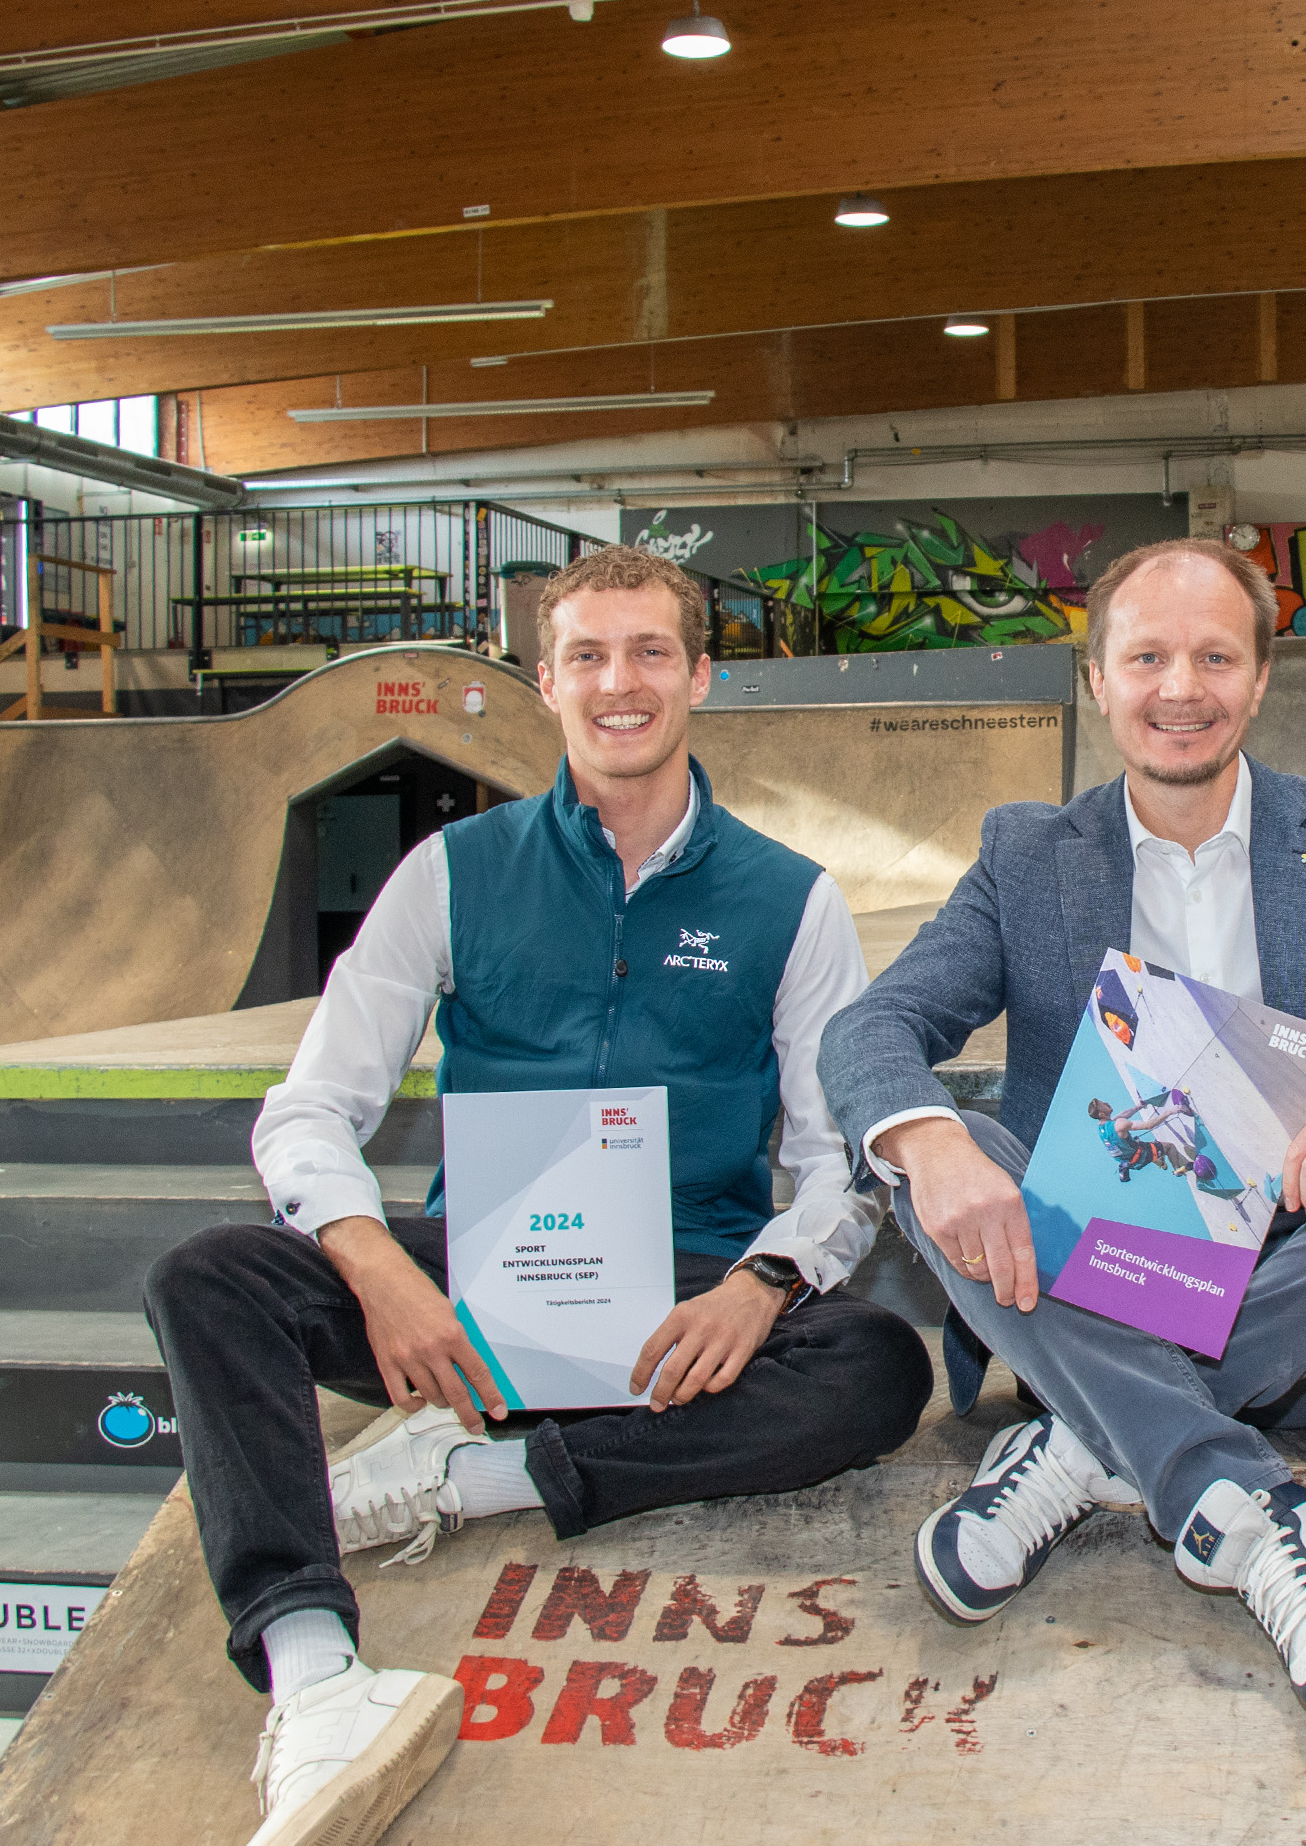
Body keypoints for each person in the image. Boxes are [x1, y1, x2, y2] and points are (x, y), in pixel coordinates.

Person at [143, 547, 932, 1846]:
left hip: (682, 1305)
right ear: (542, 680)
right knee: (208, 1277)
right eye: (586, 656)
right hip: (477, 1292)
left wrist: (765, 1281)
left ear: (700, 676)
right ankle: (316, 1675)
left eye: (650, 653)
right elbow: (307, 1108)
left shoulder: (791, 901)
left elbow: (836, 1156)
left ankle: (483, 1476)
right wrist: (376, 1264)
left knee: (876, 1366)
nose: (619, 684)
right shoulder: (454, 874)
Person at [819, 537, 1306, 1730]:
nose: (1181, 686)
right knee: (955, 1159)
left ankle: (1093, 1440)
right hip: (1099, 1264)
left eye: (1215, 655)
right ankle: (1254, 1509)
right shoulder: (1027, 856)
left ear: (1262, 678)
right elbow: (877, 1024)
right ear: (1098, 679)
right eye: (1148, 656)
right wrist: (928, 1141)